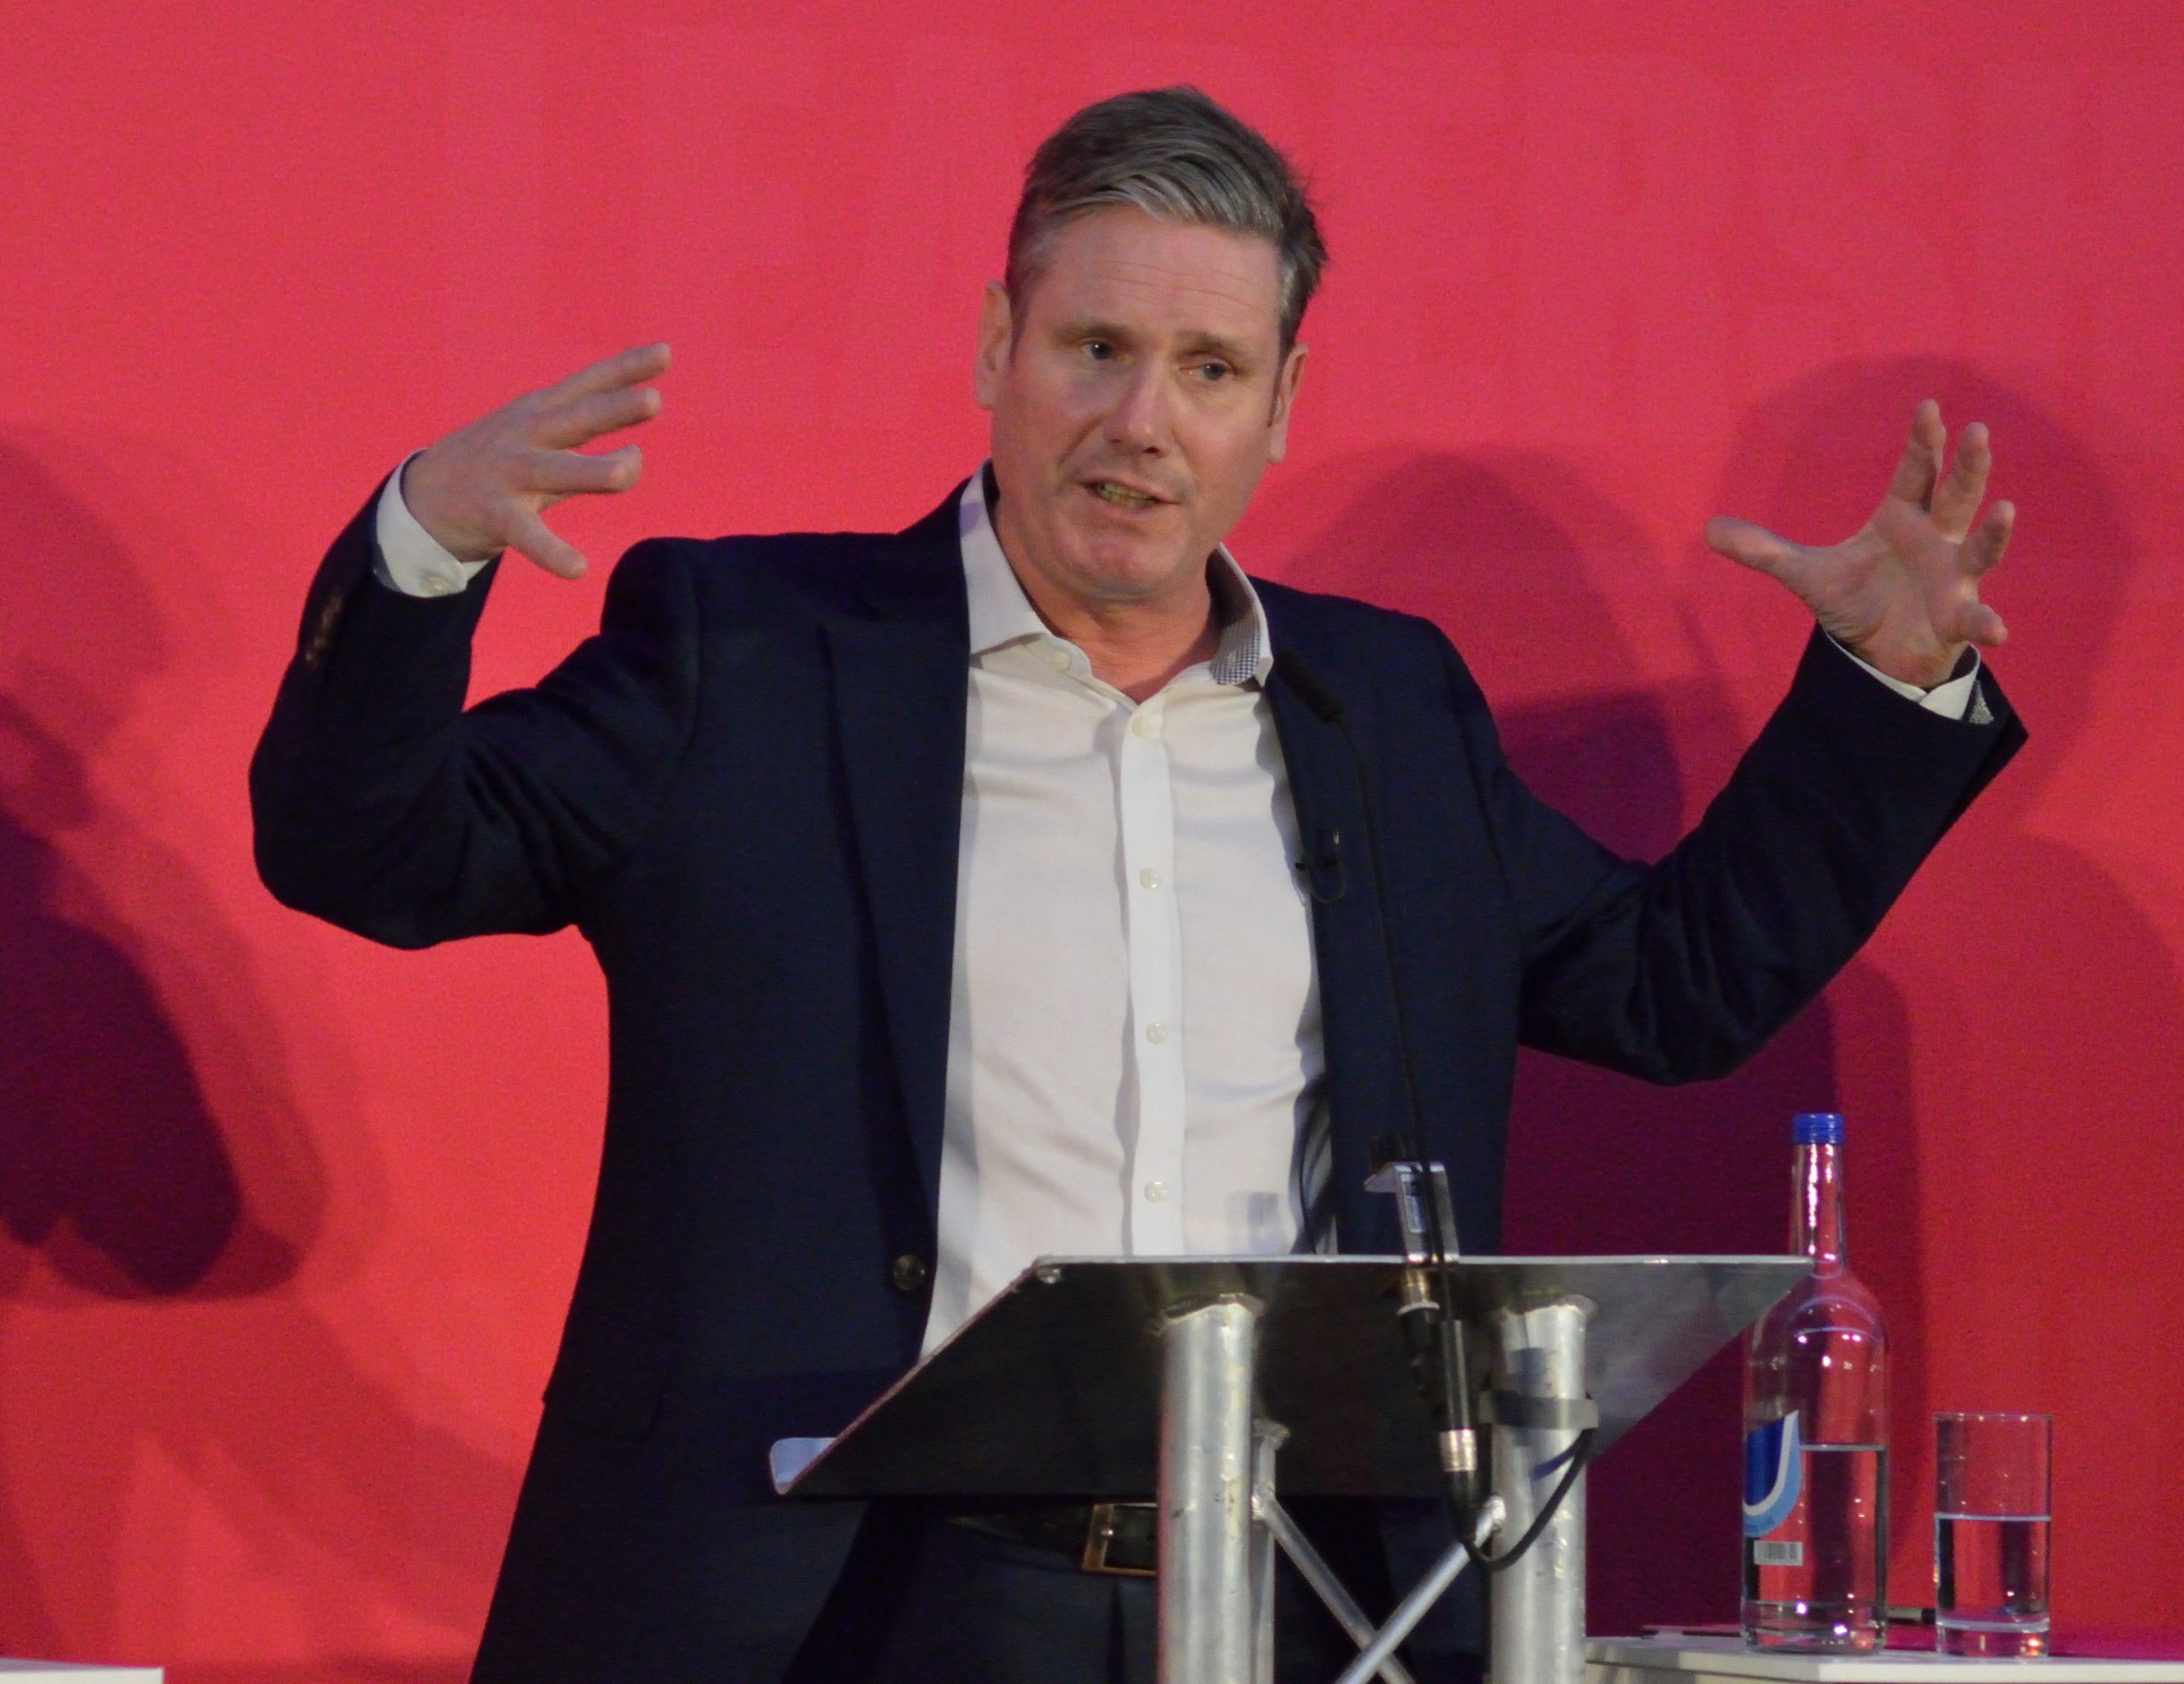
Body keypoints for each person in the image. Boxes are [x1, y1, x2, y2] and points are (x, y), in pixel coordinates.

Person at [251, 88, 2022, 1684]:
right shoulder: (752, 655)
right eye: (1093, 346)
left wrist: (1885, 691)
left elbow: (1669, 984)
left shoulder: (1383, 710)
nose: (1140, 421)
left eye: (1208, 368)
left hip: (1306, 1603)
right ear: (994, 345)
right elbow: (371, 851)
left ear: (1282, 402)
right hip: (840, 1604)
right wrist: (420, 553)